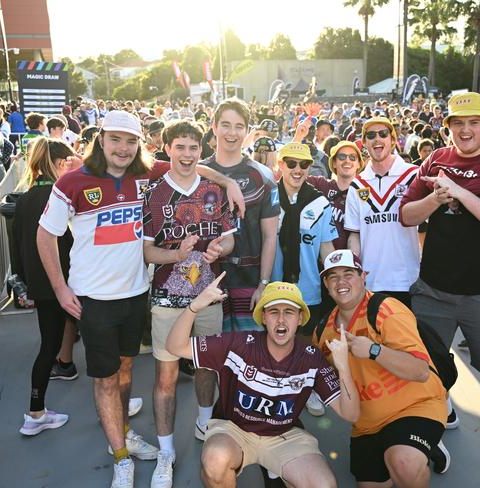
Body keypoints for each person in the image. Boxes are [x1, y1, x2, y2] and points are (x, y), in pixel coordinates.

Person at [37, 110, 244, 488]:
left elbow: (192, 166)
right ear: (101, 139)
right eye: (116, 139)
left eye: (130, 141)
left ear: (139, 145)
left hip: (135, 294)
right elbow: (45, 235)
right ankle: (120, 457)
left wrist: (228, 181)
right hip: (94, 297)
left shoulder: (144, 173)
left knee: (126, 369)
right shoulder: (72, 181)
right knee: (104, 380)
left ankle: (125, 433)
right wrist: (60, 289)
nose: (123, 148)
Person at [400, 92, 480, 487]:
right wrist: (436, 200)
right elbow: (407, 215)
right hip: (434, 289)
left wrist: (460, 193)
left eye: (473, 122)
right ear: (448, 127)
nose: (465, 130)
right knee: (424, 371)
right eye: (458, 123)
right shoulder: (435, 160)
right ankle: (432, 434)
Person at [165, 278, 359, 488]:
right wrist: (194, 306)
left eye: (289, 312)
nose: (281, 320)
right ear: (264, 317)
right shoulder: (239, 344)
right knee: (215, 460)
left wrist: (344, 368)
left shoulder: (311, 358)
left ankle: (274, 469)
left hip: (283, 436)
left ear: (300, 318)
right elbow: (175, 346)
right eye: (274, 312)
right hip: (234, 430)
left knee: (323, 485)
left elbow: (351, 414)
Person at [142, 120, 236, 488]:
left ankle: (204, 422)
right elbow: (146, 251)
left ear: (201, 150)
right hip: (166, 298)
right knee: (165, 377)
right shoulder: (153, 192)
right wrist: (173, 254)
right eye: (180, 147)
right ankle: (166, 453)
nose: (187, 154)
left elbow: (228, 240)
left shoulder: (214, 189)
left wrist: (218, 248)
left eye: (193, 148)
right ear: (167, 149)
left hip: (208, 295)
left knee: (206, 368)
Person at [315, 249, 449, 487]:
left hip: (414, 407)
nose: (341, 282)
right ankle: (424, 448)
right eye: (333, 276)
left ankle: (419, 446)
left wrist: (375, 351)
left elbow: (420, 371)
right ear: (325, 283)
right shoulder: (322, 332)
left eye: (349, 273)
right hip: (367, 425)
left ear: (363, 276)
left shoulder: (385, 309)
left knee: (403, 463)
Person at [15, 138, 78, 436]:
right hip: (67, 282)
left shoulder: (25, 197)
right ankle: (121, 402)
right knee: (104, 340)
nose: (69, 167)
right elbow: (68, 243)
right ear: (56, 163)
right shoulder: (58, 195)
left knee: (48, 347)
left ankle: (35, 411)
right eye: (65, 162)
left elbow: (17, 247)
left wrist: (25, 284)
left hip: (41, 286)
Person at [201, 98, 280, 333]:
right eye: (225, 125)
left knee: (250, 359)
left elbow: (269, 237)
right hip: (207, 280)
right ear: (214, 128)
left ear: (247, 132)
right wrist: (224, 181)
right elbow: (171, 167)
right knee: (210, 361)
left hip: (249, 280)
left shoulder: (263, 176)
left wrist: (264, 284)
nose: (232, 132)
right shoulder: (197, 172)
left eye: (239, 126)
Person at [345, 117, 420, 307]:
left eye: (383, 134)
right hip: (371, 282)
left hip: (409, 281)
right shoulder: (357, 184)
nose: (377, 139)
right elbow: (354, 234)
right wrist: (355, 273)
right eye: (371, 135)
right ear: (364, 144)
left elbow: (424, 229)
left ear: (393, 140)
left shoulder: (413, 175)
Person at [271, 142, 337, 334]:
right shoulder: (268, 198)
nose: (298, 170)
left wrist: (336, 278)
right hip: (273, 291)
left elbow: (326, 248)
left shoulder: (321, 203)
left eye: (304, 165)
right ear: (280, 165)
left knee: (305, 352)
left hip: (308, 293)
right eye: (291, 164)